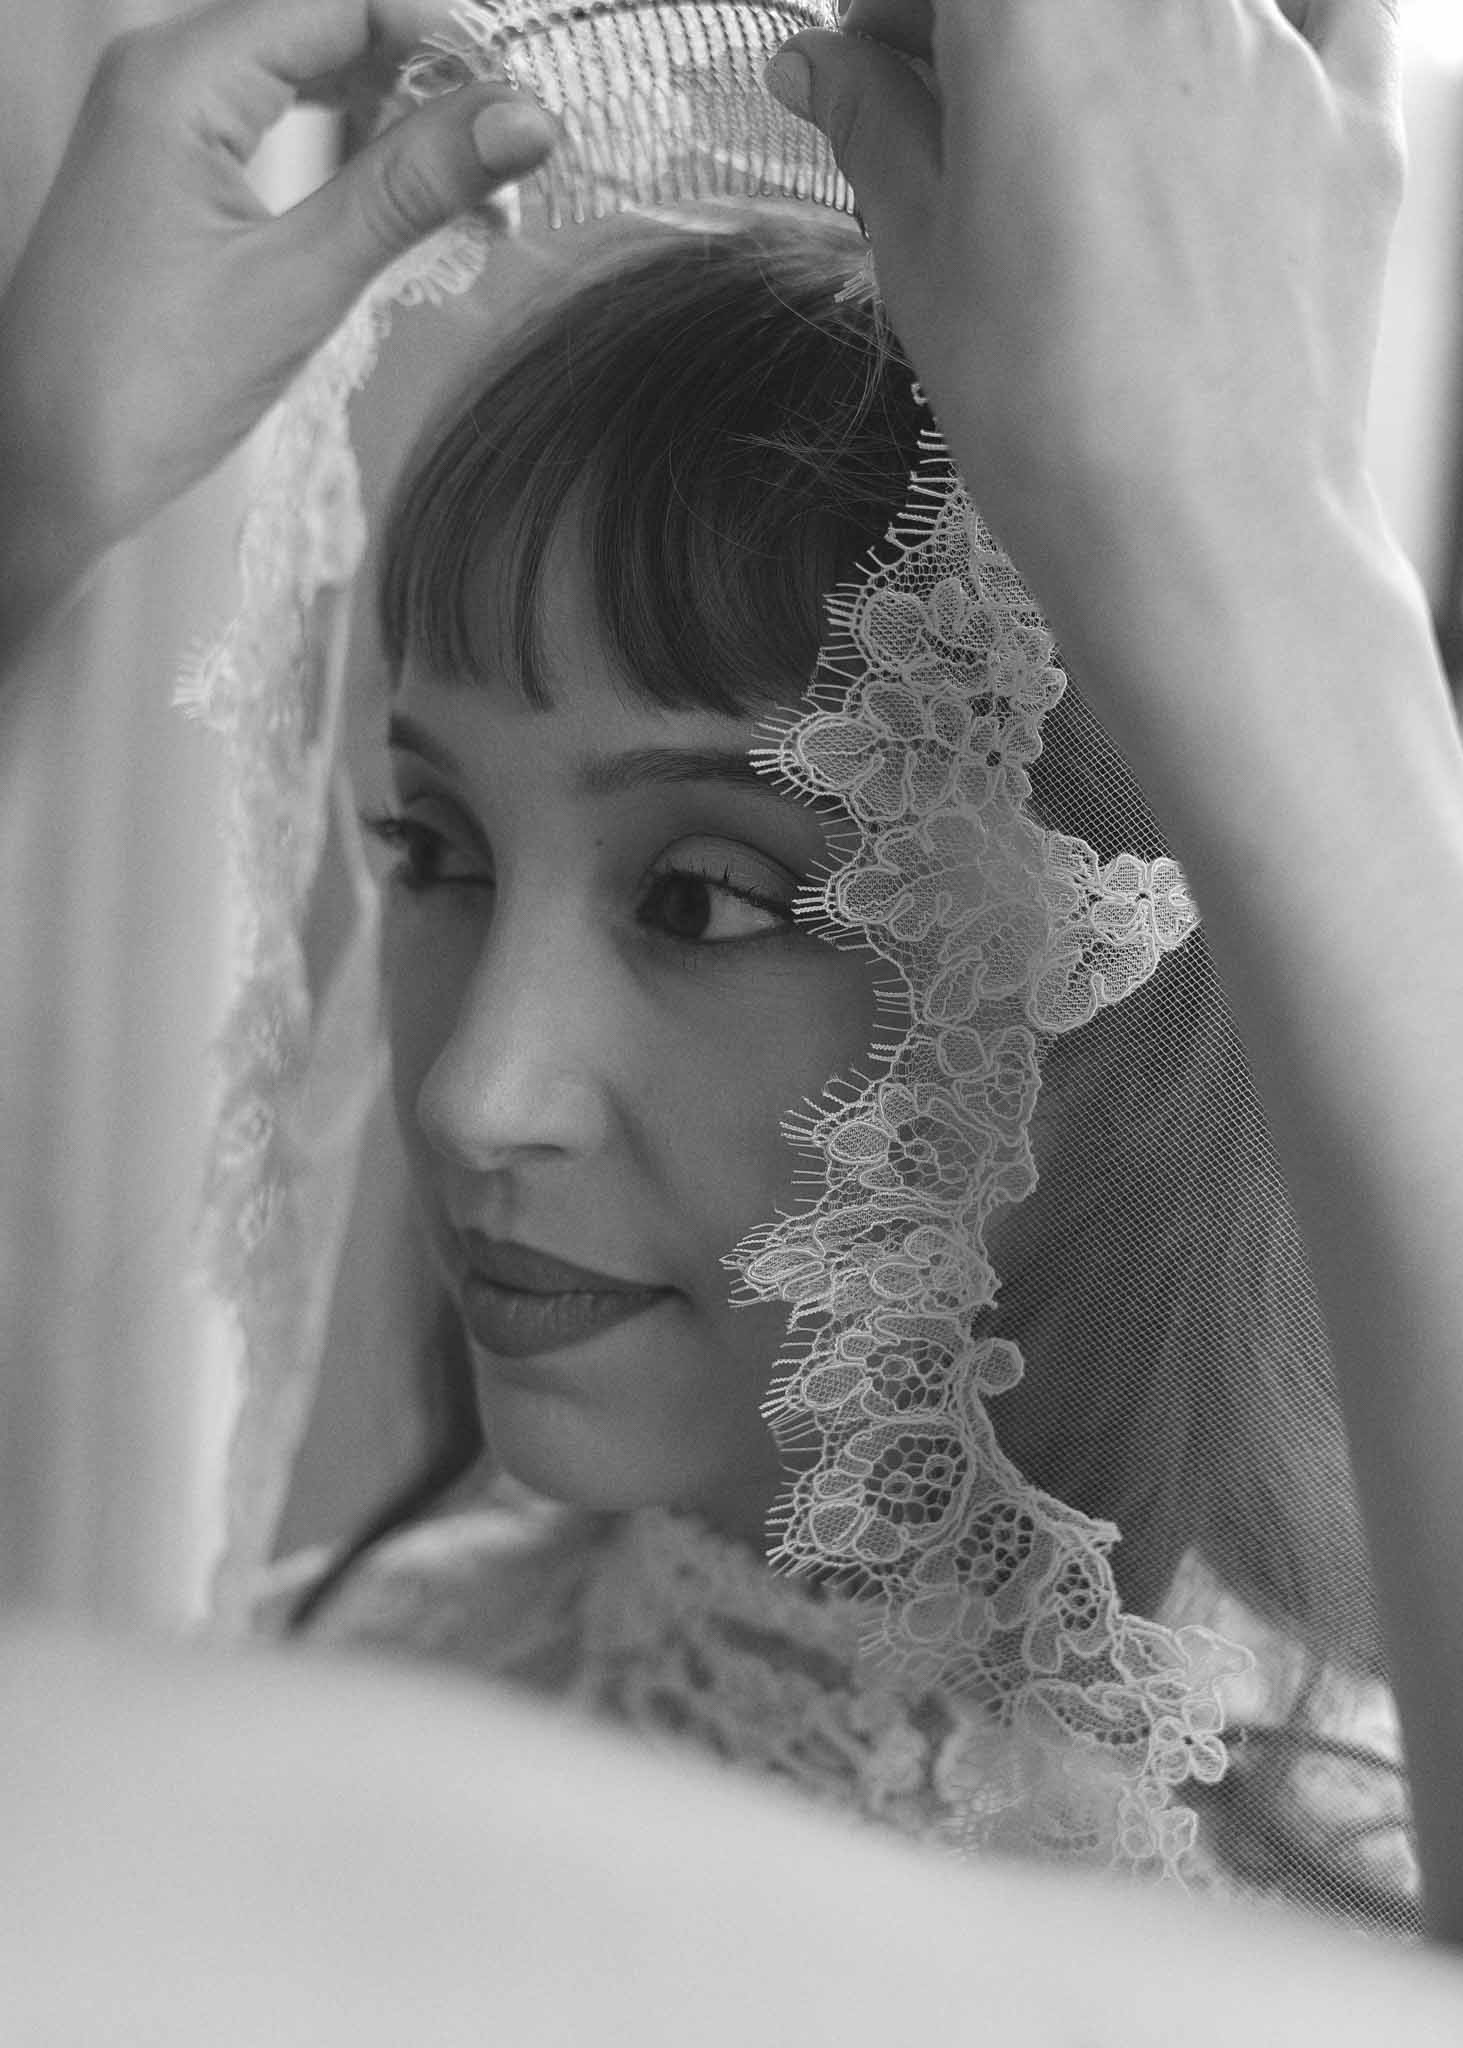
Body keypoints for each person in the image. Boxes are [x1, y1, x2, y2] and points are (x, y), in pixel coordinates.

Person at [6, 0, 1463, 1951]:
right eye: (433, 852)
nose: (473, 1096)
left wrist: (1272, 564)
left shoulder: (1299, 1927)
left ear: (1117, 954)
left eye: (707, 898)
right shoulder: (394, 1674)